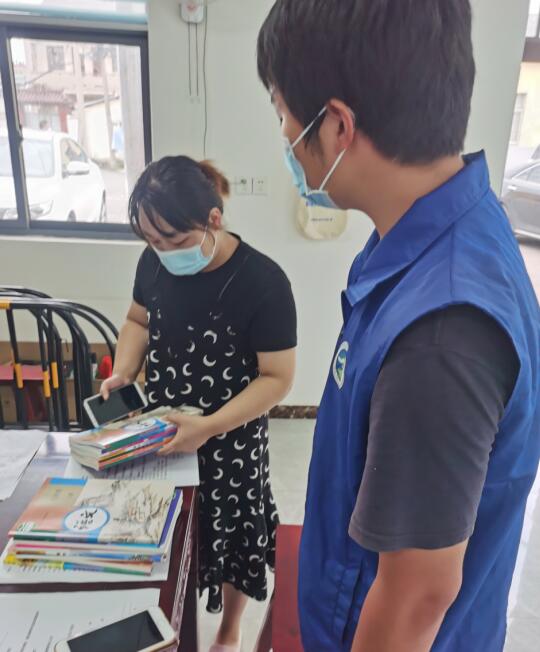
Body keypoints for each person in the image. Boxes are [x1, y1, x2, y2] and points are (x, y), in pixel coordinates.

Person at [257, 1, 540, 651]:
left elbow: (416, 597)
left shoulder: (441, 336)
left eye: (282, 116)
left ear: (336, 126)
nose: (285, 140)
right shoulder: (433, 234)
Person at [100, 155, 297, 651]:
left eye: (174, 240)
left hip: (231, 436)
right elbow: (137, 320)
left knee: (234, 534)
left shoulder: (263, 282)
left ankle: (229, 631)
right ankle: (172, 614)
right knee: (170, 530)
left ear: (213, 219)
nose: (163, 252)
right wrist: (124, 370)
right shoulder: (154, 262)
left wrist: (209, 427)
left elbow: (277, 378)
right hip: (164, 430)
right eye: (152, 241)